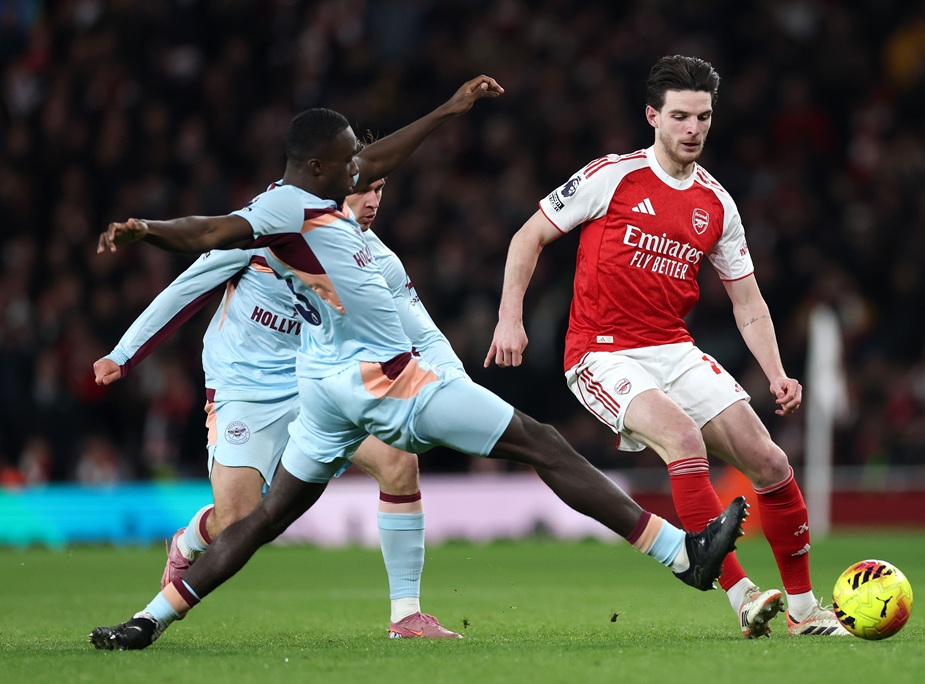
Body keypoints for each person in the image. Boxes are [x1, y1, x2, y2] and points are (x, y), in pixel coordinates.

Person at [89, 75, 748, 651]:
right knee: (541, 442)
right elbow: (205, 238)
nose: (366, 172)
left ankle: (149, 621)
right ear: (323, 166)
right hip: (380, 384)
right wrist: (149, 234)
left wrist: (447, 111)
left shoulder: (340, 224)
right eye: (352, 163)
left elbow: (385, 189)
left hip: (322, 392)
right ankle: (679, 554)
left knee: (266, 521)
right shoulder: (282, 213)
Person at [486, 55, 849, 638]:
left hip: (673, 348)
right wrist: (510, 318)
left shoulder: (717, 204)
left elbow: (748, 301)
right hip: (600, 351)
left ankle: (805, 614)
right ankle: (741, 596)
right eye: (680, 116)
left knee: (772, 461)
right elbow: (527, 237)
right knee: (682, 439)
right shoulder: (612, 176)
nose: (693, 129)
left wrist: (777, 373)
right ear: (652, 116)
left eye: (703, 116)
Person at [94, 178, 461, 638]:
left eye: (382, 189)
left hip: (319, 381)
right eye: (363, 190)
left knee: (398, 462)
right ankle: (189, 541)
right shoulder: (261, 231)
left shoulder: (374, 258)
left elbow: (424, 334)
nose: (372, 202)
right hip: (243, 388)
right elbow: (186, 288)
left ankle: (406, 615)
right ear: (331, 185)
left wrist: (460, 391)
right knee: (238, 519)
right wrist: (124, 354)